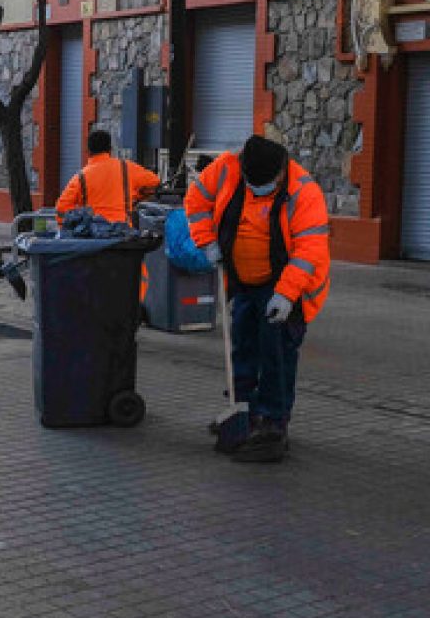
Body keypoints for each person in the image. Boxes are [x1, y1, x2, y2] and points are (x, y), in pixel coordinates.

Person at [185, 134, 330, 463]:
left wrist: (286, 294)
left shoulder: (304, 192)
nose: (255, 191)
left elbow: (310, 251)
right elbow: (196, 202)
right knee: (243, 346)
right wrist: (207, 241)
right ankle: (243, 412)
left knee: (276, 353)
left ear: (280, 174)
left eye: (261, 186)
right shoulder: (226, 168)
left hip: (283, 285)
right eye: (250, 184)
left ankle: (273, 423)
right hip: (242, 281)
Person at [56, 130, 160, 226]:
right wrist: (136, 195)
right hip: (122, 232)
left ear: (88, 151)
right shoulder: (126, 167)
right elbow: (154, 182)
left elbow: (62, 207)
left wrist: (68, 226)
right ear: (110, 149)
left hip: (93, 234)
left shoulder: (81, 177)